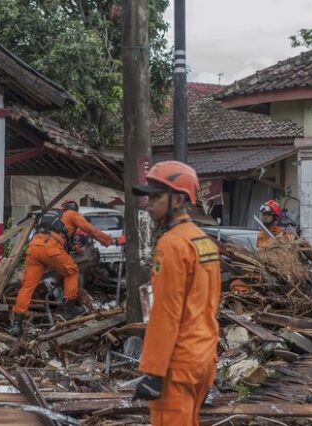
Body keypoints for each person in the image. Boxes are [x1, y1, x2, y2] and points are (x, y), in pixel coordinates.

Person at [132, 161, 221, 426]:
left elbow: (165, 313)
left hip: (177, 364)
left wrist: (153, 372)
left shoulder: (171, 244)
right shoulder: (203, 240)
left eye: (157, 197)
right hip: (203, 358)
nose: (149, 204)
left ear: (179, 199)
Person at [9, 200, 124, 336]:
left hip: (34, 248)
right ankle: (70, 309)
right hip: (51, 248)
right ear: (74, 209)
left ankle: (17, 324)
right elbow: (90, 230)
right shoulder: (71, 214)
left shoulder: (49, 215)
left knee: (27, 286)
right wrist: (112, 241)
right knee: (72, 271)